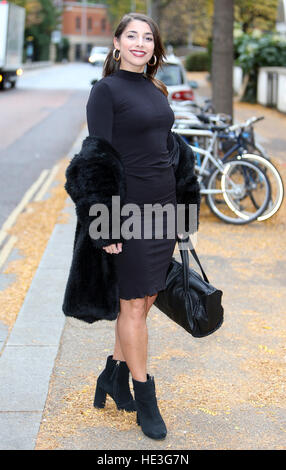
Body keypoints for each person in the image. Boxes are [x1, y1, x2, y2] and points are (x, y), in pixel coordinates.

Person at [64, 12, 200, 441]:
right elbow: (95, 159)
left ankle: (112, 377)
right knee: (133, 304)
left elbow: (171, 152)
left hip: (162, 209)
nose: (140, 43)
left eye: (147, 38)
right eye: (132, 36)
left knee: (145, 301)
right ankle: (145, 399)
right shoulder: (105, 91)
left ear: (154, 47)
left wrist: (184, 214)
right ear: (118, 44)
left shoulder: (155, 89)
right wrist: (105, 226)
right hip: (128, 212)